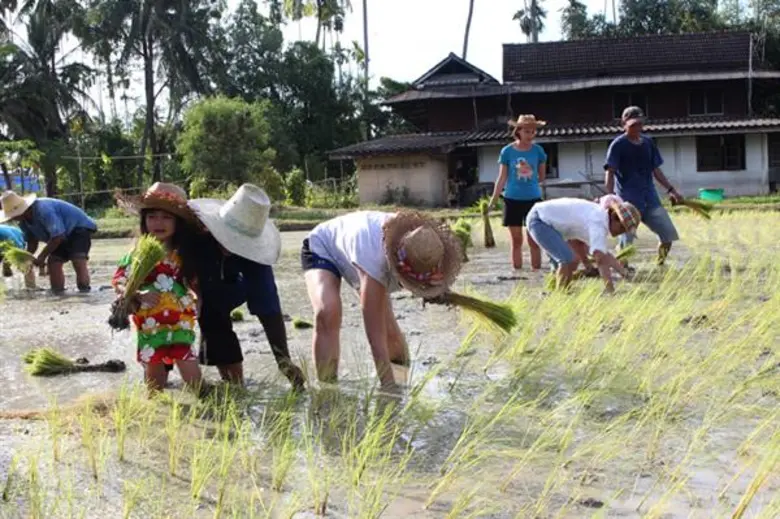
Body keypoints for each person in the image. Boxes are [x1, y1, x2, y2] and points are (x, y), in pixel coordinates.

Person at [301, 210, 462, 390]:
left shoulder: (428, 246)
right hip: (323, 247)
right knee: (328, 312)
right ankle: (327, 392)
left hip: (364, 250)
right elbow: (375, 336)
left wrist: (436, 291)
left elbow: (435, 280)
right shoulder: (375, 261)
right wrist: (388, 388)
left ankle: (402, 383)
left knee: (391, 334)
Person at [188, 184, 306, 391]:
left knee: (215, 313)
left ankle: (233, 384)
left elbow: (269, 309)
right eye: (226, 238)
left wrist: (283, 360)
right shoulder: (193, 237)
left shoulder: (256, 262)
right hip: (188, 287)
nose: (230, 246)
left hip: (229, 288)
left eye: (238, 242)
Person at [111, 183, 202, 394]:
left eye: (166, 217)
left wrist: (199, 301)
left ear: (177, 222)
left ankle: (207, 404)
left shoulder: (184, 253)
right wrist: (138, 294)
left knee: (188, 363)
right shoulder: (138, 253)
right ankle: (155, 409)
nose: (158, 223)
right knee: (154, 371)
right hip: (150, 320)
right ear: (144, 220)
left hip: (181, 320)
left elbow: (195, 283)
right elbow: (119, 281)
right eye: (152, 217)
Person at [605, 106, 683, 266]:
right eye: (633, 125)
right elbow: (610, 172)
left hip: (650, 199)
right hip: (627, 203)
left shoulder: (648, 143)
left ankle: (660, 264)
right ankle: (622, 270)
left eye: (640, 124)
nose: (637, 128)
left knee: (667, 236)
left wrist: (671, 190)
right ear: (624, 125)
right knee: (626, 245)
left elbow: (656, 170)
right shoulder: (618, 145)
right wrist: (611, 198)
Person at [526, 197, 640, 292]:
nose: (621, 233)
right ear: (614, 217)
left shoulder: (600, 217)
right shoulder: (598, 222)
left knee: (570, 260)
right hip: (539, 220)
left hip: (544, 219)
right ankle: (560, 295)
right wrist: (610, 289)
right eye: (622, 228)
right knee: (567, 259)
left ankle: (562, 291)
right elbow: (600, 259)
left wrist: (625, 274)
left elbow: (604, 255)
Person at [0, 191, 97, 293]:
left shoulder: (43, 210)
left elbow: (57, 237)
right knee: (53, 261)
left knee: (77, 259)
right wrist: (25, 258)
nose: (13, 218)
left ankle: (84, 290)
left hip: (78, 228)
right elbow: (32, 242)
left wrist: (41, 257)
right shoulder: (23, 221)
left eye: (14, 215)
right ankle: (57, 293)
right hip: (59, 236)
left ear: (23, 210)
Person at [488, 115, 548, 270]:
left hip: (533, 200)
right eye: (527, 131)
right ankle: (518, 275)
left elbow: (542, 177)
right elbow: (502, 177)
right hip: (512, 199)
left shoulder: (538, 151)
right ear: (518, 131)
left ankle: (537, 273)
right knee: (516, 241)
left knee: (534, 240)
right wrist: (493, 200)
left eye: (533, 132)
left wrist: (529, 178)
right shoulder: (507, 151)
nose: (530, 135)